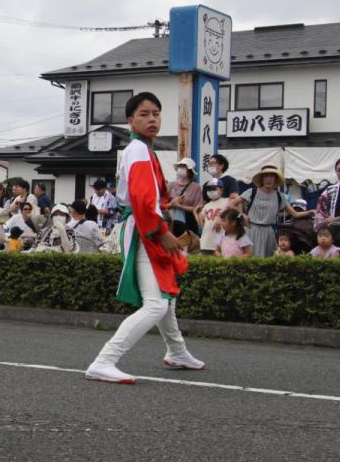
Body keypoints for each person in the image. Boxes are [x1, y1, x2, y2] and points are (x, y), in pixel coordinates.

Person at [85, 92, 202, 385]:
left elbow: (147, 198)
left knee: (166, 295)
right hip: (143, 229)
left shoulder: (142, 149)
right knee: (156, 303)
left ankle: (177, 351)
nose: (152, 119)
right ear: (130, 120)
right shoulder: (137, 149)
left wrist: (162, 229)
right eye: (144, 114)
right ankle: (104, 360)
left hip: (145, 225)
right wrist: (160, 232)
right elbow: (142, 196)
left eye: (156, 114)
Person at [239, 165, 310, 257]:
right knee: (249, 258)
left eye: (271, 176)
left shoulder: (280, 196)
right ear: (262, 179)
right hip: (252, 230)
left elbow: (294, 214)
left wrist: (311, 212)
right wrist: (242, 214)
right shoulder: (252, 192)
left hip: (268, 231)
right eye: (266, 176)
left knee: (268, 260)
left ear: (275, 179)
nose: (269, 179)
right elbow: (234, 202)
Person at [166, 157, 203, 237]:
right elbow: (162, 205)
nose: (181, 169)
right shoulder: (170, 185)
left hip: (189, 224)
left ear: (190, 171)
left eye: (184, 167)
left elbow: (197, 208)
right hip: (170, 223)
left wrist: (179, 206)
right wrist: (172, 204)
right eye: (180, 166)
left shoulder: (195, 187)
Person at [195, 178, 231, 256]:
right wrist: (195, 213)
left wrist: (220, 221)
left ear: (221, 190)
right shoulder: (207, 205)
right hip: (205, 241)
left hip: (220, 242)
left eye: (214, 188)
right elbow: (201, 225)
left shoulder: (227, 201)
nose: (211, 191)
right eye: (209, 189)